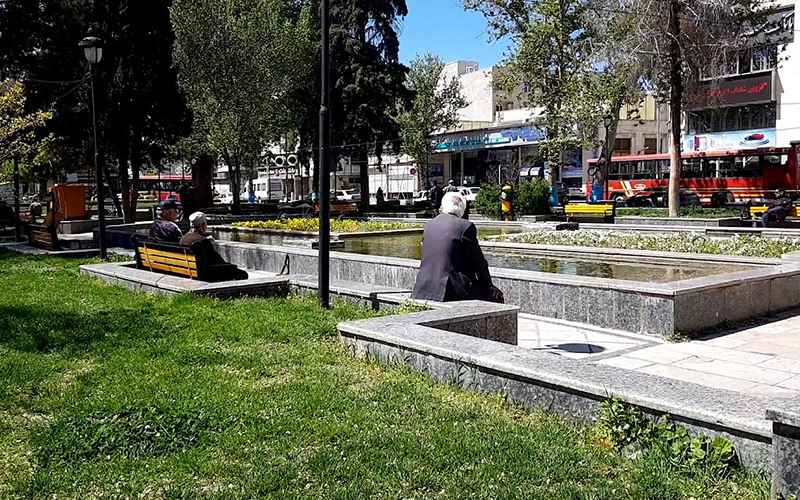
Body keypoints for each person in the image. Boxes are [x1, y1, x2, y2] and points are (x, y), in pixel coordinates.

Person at [412, 192, 503, 303]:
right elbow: (479, 263)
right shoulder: (465, 226)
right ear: (462, 210)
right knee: (496, 297)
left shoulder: (429, 225)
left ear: (443, 206)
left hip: (422, 288)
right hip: (449, 291)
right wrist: (489, 286)